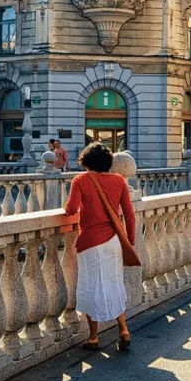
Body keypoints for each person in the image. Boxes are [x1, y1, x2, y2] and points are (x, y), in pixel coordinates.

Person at [64, 143, 136, 351]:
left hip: (90, 242)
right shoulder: (118, 181)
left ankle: (94, 337)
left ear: (86, 161)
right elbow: (129, 214)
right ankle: (123, 329)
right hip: (114, 240)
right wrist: (129, 239)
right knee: (114, 283)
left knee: (91, 286)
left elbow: (70, 209)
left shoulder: (81, 180)